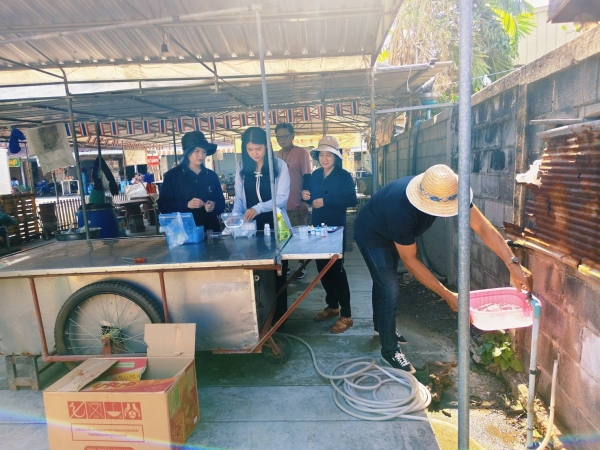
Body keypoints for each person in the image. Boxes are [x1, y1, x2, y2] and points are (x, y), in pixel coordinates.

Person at [354, 164, 533, 373]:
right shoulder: (402, 209)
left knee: (384, 281)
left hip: (391, 228)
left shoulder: (447, 189)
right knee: (389, 287)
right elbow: (410, 260)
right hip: (372, 235)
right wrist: (447, 295)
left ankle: (382, 327)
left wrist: (512, 263)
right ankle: (389, 349)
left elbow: (483, 228)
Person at [232, 127, 291, 323]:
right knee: (255, 273)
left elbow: (282, 198)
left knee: (277, 273)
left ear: (267, 146)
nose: (255, 153)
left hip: (276, 225)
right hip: (251, 228)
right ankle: (259, 319)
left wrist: (258, 207)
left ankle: (279, 319)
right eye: (250, 150)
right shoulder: (242, 167)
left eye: (259, 148)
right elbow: (239, 198)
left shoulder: (279, 166)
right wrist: (235, 216)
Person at [302, 136, 357, 333]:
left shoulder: (343, 175)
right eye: (321, 155)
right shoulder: (316, 174)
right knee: (322, 268)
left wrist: (327, 201)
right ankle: (333, 306)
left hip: (336, 229)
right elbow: (311, 197)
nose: (324, 159)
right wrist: (305, 196)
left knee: (337, 271)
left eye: (329, 155)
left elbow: (352, 200)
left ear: (336, 157)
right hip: (318, 227)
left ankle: (347, 314)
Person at [158, 131, 225, 231]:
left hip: (211, 230)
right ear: (187, 152)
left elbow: (221, 203)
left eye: (204, 151)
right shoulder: (173, 176)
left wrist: (214, 205)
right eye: (196, 151)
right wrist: (186, 204)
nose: (201, 155)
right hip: (184, 232)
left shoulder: (211, 175)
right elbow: (163, 206)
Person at [275, 123, 312, 279]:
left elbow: (307, 176)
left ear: (293, 136)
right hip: (280, 205)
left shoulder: (301, 153)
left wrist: (305, 201)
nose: (282, 139)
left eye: (285, 136)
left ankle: (301, 265)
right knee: (283, 236)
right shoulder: (277, 155)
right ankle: (286, 265)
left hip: (297, 202)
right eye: (279, 137)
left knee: (299, 236)